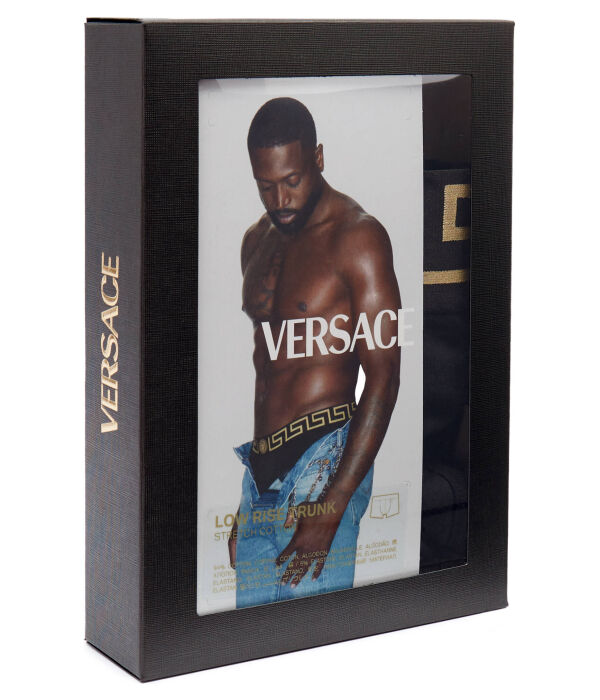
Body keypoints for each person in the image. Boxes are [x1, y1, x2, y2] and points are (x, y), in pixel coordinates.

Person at [230, 97, 401, 608]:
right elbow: (270, 374)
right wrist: (249, 499)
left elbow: (384, 376)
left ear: (318, 158)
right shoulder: (255, 242)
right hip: (260, 477)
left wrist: (334, 503)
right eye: (265, 185)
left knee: (314, 643)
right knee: (248, 646)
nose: (279, 198)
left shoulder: (358, 238)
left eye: (292, 180)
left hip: (322, 467)